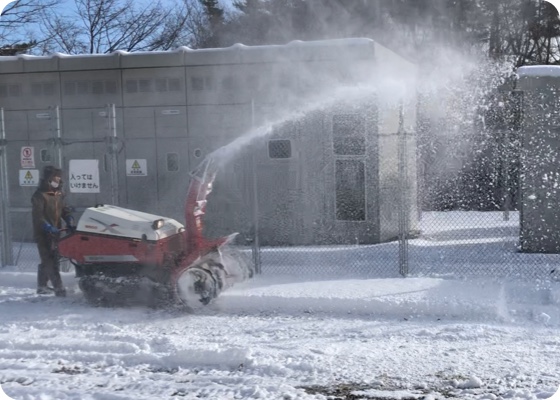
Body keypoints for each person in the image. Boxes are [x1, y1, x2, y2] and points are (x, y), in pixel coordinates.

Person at [31, 166, 75, 297]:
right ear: (48, 179)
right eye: (55, 178)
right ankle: (58, 288)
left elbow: (64, 209)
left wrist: (69, 219)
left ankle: (42, 286)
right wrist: (47, 227)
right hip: (42, 233)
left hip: (56, 232)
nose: (57, 181)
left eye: (59, 178)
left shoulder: (59, 194)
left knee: (53, 258)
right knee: (49, 260)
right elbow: (38, 217)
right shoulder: (39, 196)